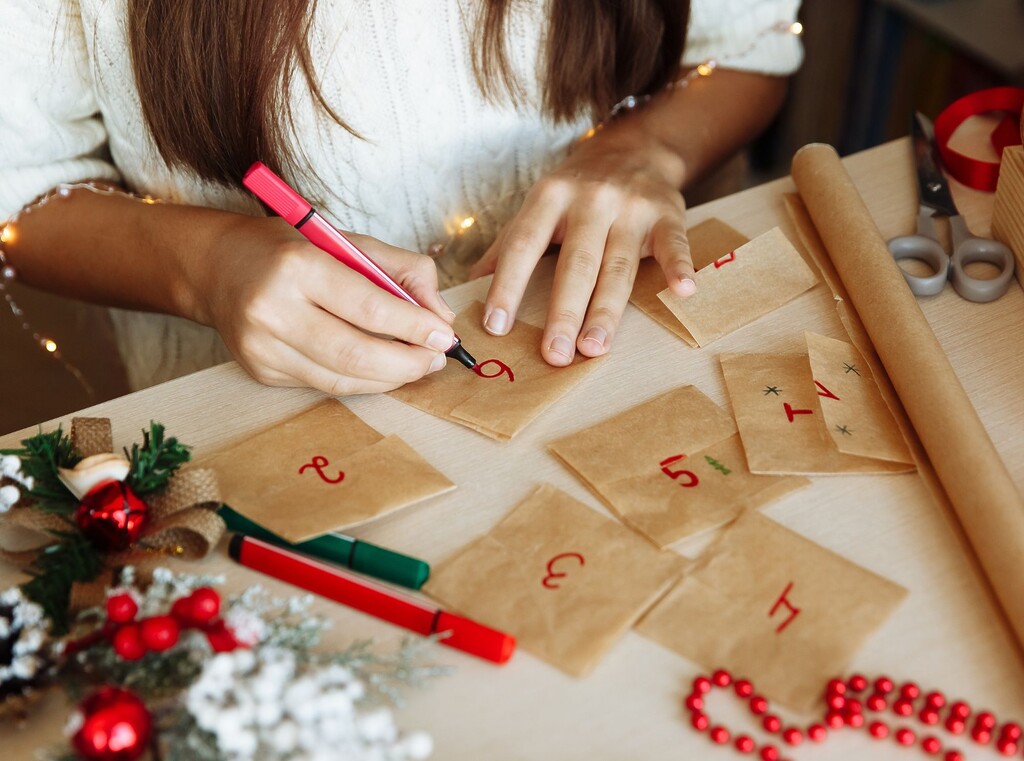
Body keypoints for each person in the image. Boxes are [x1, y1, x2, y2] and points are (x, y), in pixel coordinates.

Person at [0, 0, 803, 396]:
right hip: (260, 408)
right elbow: (20, 188)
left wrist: (645, 148)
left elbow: (752, 45)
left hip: (635, 358)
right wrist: (205, 266)